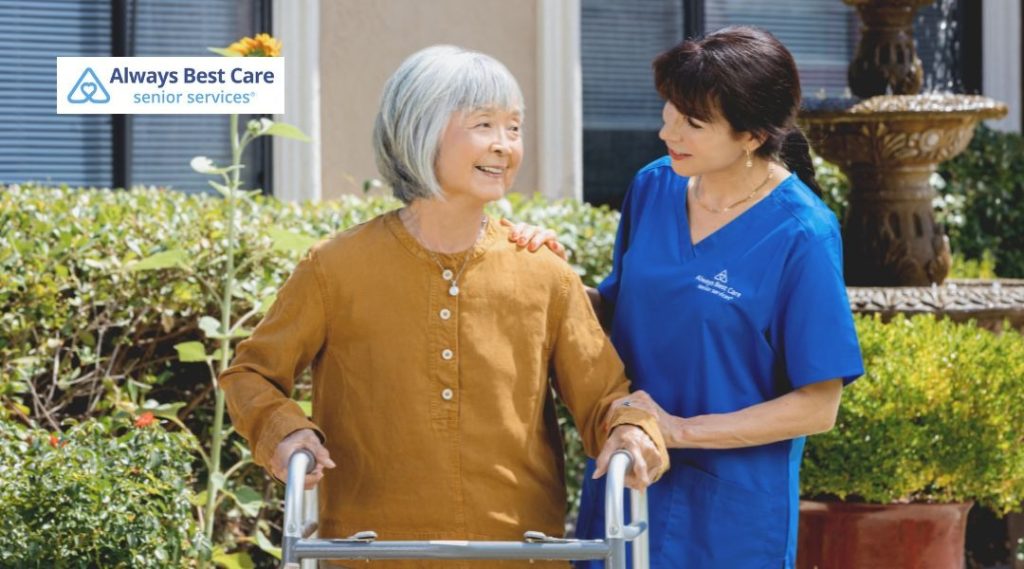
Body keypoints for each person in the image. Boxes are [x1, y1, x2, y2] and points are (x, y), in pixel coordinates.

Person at [219, 45, 668, 569]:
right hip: (372, 555)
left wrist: (630, 428)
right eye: (484, 124)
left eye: (514, 128)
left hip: (518, 556)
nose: (504, 145)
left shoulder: (541, 270)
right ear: (421, 130)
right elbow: (252, 375)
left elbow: (605, 398)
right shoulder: (334, 266)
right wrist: (286, 432)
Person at [506, 27, 865, 568]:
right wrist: (543, 272)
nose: (666, 131)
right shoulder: (654, 186)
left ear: (752, 136)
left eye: (693, 123)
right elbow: (620, 310)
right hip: (628, 477)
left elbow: (819, 405)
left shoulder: (802, 233)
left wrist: (677, 430)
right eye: (670, 110)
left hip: (729, 516)